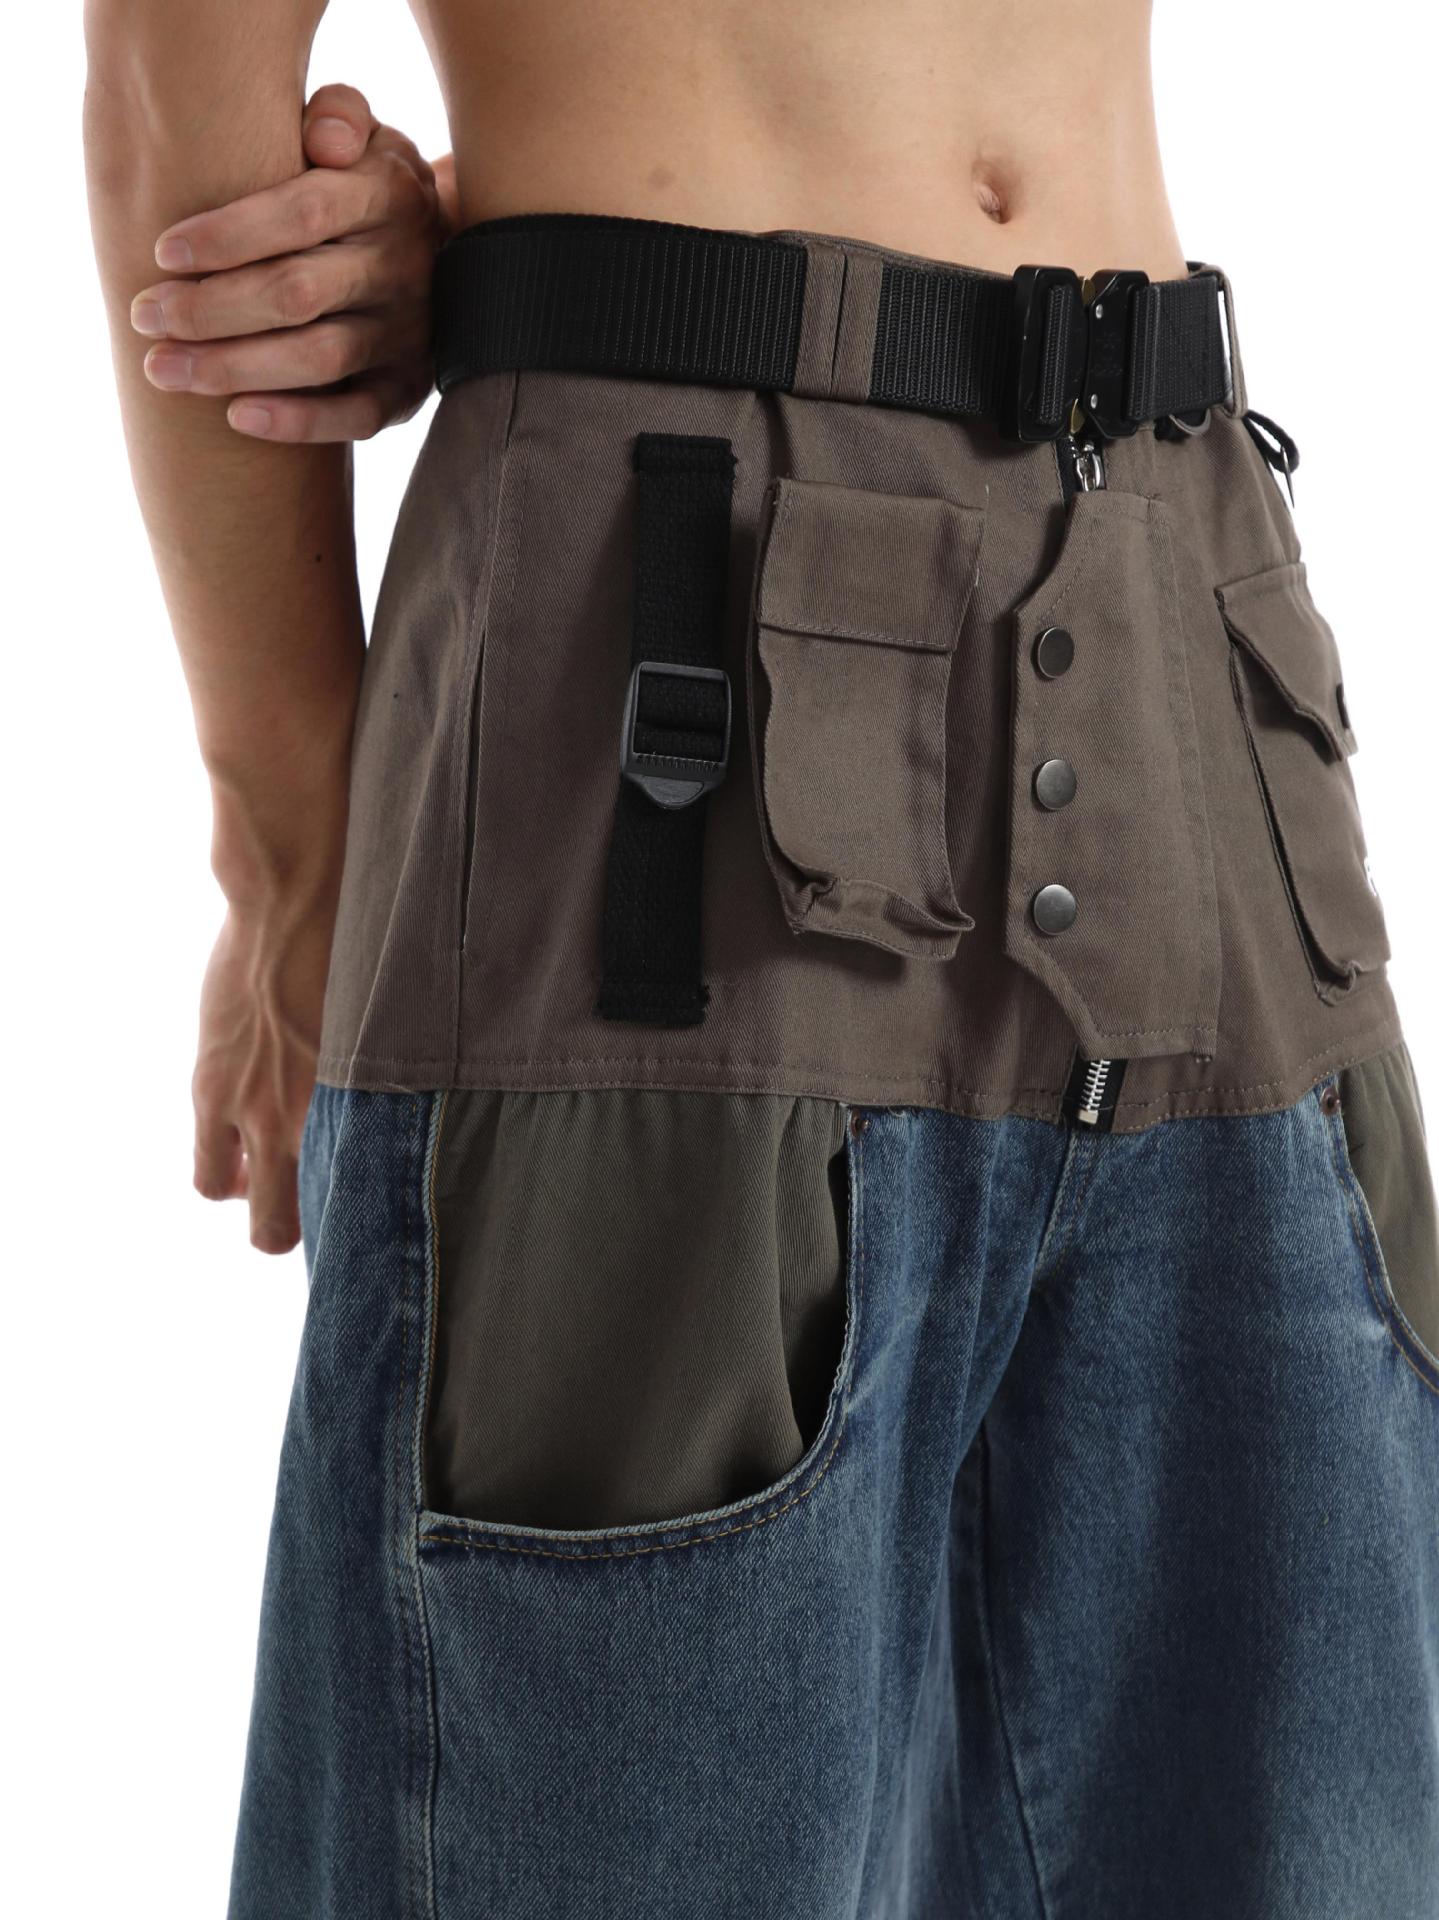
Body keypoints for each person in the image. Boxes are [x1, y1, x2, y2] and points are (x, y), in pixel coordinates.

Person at [84, 6, 1439, 1916]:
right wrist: (287, 851)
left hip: (1193, 644)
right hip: (668, 656)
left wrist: (471, 213)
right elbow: (177, 75)